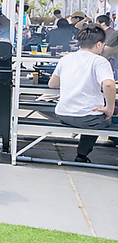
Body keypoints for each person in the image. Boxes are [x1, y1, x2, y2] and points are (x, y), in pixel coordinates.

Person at [48, 25, 116, 163]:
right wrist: (110, 108)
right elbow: (109, 84)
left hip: (63, 114)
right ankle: (82, 154)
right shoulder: (99, 61)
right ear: (99, 44)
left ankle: (82, 153)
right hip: (88, 118)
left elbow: (52, 84)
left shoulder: (65, 59)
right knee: (100, 116)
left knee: (92, 113)